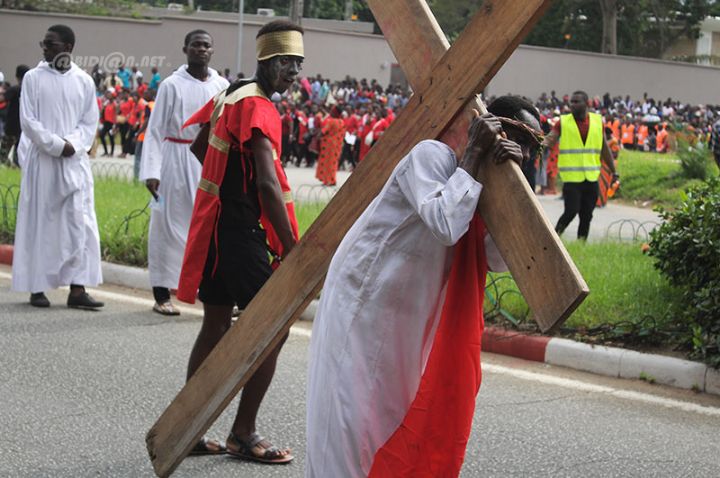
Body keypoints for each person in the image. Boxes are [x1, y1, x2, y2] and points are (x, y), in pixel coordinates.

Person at [306, 96, 543, 477]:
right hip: (363, 305)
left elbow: (498, 260)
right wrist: (476, 153)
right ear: (488, 128)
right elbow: (445, 223)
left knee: (389, 421)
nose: (521, 151)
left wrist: (522, 180)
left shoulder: (484, 189)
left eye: (531, 148)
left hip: (409, 321)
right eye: (518, 139)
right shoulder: (432, 156)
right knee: (347, 424)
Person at [176, 19, 304, 463]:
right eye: (286, 61)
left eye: (298, 64)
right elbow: (268, 185)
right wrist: (293, 249)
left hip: (216, 230)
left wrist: (228, 180)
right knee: (275, 326)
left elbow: (199, 148)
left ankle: (187, 429)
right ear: (266, 59)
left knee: (215, 324)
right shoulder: (259, 105)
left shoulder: (231, 93)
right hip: (239, 233)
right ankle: (243, 434)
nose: (293, 71)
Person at [13, 24, 103, 309]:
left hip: (74, 162)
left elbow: (89, 121)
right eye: (44, 43)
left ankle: (78, 290)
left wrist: (72, 145)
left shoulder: (84, 81)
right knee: (42, 223)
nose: (45, 47)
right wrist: (55, 144)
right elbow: (28, 121)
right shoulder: (33, 78)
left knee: (81, 223)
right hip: (44, 161)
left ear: (67, 48)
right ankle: (37, 287)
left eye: (50, 43)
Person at [139, 30, 229, 315]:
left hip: (207, 161)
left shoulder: (222, 85)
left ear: (212, 51)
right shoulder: (171, 85)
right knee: (167, 226)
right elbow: (155, 131)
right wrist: (152, 170)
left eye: (206, 45)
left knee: (205, 228)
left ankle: (202, 288)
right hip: (174, 160)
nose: (201, 49)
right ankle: (161, 293)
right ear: (185, 49)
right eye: (195, 45)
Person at [543, 90, 617, 240]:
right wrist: (538, 145)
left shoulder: (597, 121)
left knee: (587, 214)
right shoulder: (563, 122)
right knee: (571, 211)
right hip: (572, 179)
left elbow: (604, 148)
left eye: (577, 102)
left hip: (591, 177)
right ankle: (553, 239)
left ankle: (581, 243)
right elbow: (550, 139)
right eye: (572, 102)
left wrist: (614, 170)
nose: (572, 105)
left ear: (587, 104)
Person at [0, 65, 30, 166]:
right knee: (19, 154)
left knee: (3, 154)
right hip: (23, 127)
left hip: (11, 126)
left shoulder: (14, 89)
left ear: (17, 76)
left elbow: (3, 99)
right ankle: (16, 167)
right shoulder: (30, 90)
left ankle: (6, 165)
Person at [315, 105, 345, 186]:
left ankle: (327, 180)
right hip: (337, 146)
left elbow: (323, 131)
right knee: (334, 163)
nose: (330, 112)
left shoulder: (331, 121)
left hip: (328, 145)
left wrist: (317, 137)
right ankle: (332, 179)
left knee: (328, 163)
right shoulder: (342, 122)